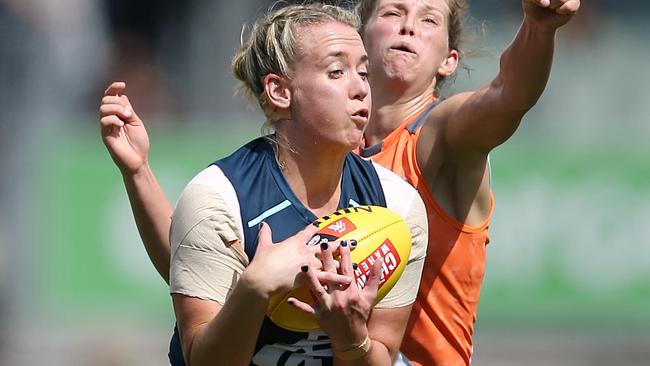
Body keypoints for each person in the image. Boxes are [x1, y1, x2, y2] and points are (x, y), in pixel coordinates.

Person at [100, 0, 580, 365]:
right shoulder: (317, 147)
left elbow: (507, 95)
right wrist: (139, 173)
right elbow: (204, 271)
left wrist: (538, 29)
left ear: (449, 61)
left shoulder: (440, 139)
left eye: (429, 19)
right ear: (362, 33)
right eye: (392, 11)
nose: (409, 25)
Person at [100, 3, 428, 365]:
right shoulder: (218, 199)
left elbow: (382, 355)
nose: (361, 89)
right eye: (336, 71)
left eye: (363, 72)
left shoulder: (397, 206)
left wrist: (351, 339)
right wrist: (255, 288)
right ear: (279, 91)